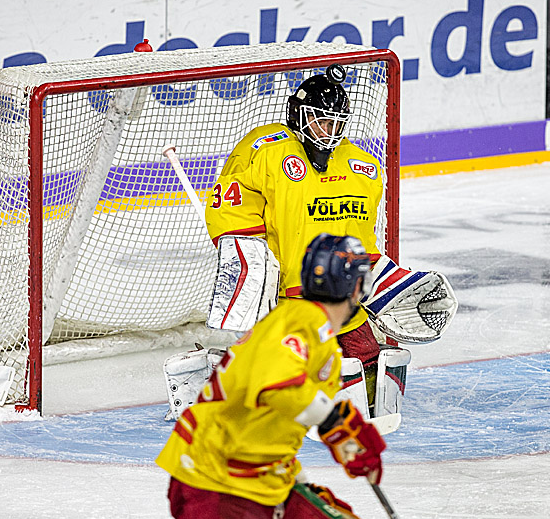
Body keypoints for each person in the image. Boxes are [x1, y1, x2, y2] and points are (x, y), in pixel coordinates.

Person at [163, 62, 457, 423]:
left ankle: (346, 408)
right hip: (287, 297)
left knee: (368, 357)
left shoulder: (361, 168)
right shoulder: (266, 151)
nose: (328, 131)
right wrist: (252, 264)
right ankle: (203, 381)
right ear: (298, 115)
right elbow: (232, 209)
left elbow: (361, 240)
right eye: (320, 121)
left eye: (336, 123)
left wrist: (388, 283)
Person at [156, 233, 387, 519]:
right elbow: (275, 385)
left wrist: (337, 436)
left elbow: (280, 408)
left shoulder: (312, 331)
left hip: (267, 480)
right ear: (358, 287)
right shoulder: (301, 323)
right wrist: (330, 419)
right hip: (217, 483)